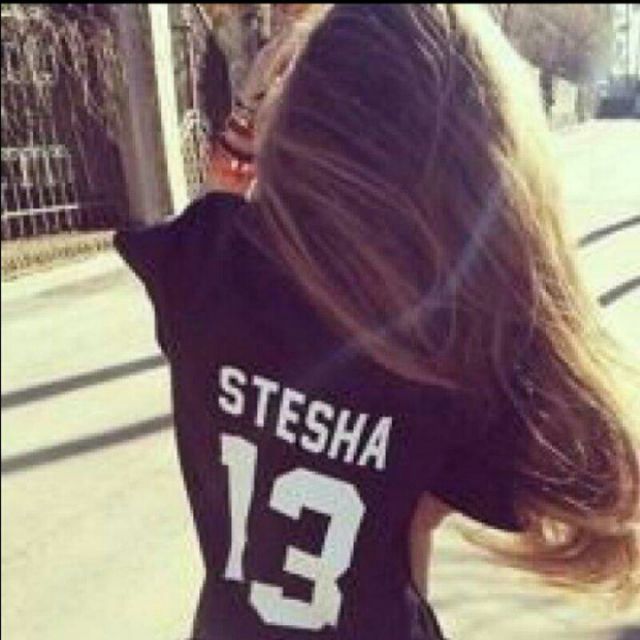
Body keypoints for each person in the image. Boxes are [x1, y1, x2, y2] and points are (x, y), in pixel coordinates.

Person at [113, 5, 640, 640]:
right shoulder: (441, 347)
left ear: (290, 126)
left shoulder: (205, 269)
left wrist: (242, 133)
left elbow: (219, 203)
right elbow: (465, 502)